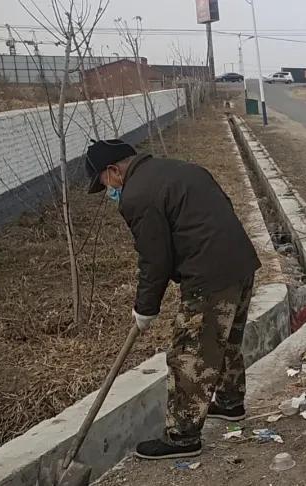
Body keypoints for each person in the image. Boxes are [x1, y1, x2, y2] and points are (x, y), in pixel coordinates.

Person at [84, 139, 261, 460]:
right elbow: (222, 207)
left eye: (104, 184)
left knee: (189, 353)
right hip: (241, 263)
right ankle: (231, 402)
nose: (108, 192)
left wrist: (145, 308)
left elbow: (155, 259)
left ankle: (182, 436)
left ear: (113, 170)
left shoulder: (136, 196)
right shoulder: (179, 169)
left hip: (208, 275)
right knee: (226, 340)